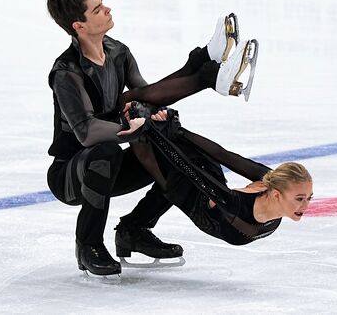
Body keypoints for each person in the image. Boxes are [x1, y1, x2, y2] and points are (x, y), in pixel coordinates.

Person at [45, 0, 258, 275]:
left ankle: (134, 229)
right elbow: (87, 132)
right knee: (104, 151)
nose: (107, 9)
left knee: (171, 149)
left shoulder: (118, 52)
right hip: (72, 174)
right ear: (79, 25)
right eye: (97, 9)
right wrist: (133, 124)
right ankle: (88, 244)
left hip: (112, 166)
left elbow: (147, 95)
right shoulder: (66, 72)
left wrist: (152, 119)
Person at [118, 104, 313, 245]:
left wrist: (179, 133)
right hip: (185, 186)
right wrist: (165, 132)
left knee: (170, 133)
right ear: (277, 195)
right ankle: (134, 117)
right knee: (159, 146)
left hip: (206, 173)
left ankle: (150, 119)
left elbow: (226, 157)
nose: (306, 205)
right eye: (300, 198)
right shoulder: (236, 205)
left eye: (308, 198)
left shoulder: (273, 182)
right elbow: (192, 170)